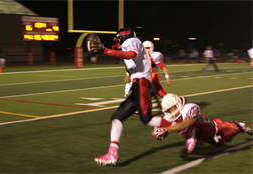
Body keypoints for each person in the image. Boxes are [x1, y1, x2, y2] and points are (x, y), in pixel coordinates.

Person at [91, 27, 174, 166]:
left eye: (118, 40)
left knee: (146, 119)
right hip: (138, 85)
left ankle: (179, 124)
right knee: (117, 118)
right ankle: (112, 153)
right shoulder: (132, 42)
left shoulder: (131, 40)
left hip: (141, 83)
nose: (117, 43)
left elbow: (130, 54)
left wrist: (105, 50)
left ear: (123, 37)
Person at [151, 93, 252, 153]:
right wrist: (161, 134)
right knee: (219, 145)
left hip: (217, 128)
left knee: (231, 134)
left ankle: (239, 126)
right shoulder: (168, 117)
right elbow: (164, 126)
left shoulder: (190, 108)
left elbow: (186, 124)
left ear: (178, 104)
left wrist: (166, 129)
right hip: (205, 138)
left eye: (173, 109)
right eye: (169, 111)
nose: (172, 113)